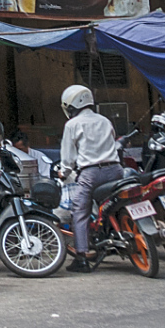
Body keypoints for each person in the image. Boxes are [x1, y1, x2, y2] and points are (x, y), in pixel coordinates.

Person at [57, 83, 121, 272]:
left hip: (91, 174)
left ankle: (81, 258)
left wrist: (63, 172)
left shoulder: (72, 124)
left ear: (70, 106)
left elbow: (68, 158)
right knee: (115, 204)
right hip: (116, 170)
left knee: (80, 212)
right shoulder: (104, 120)